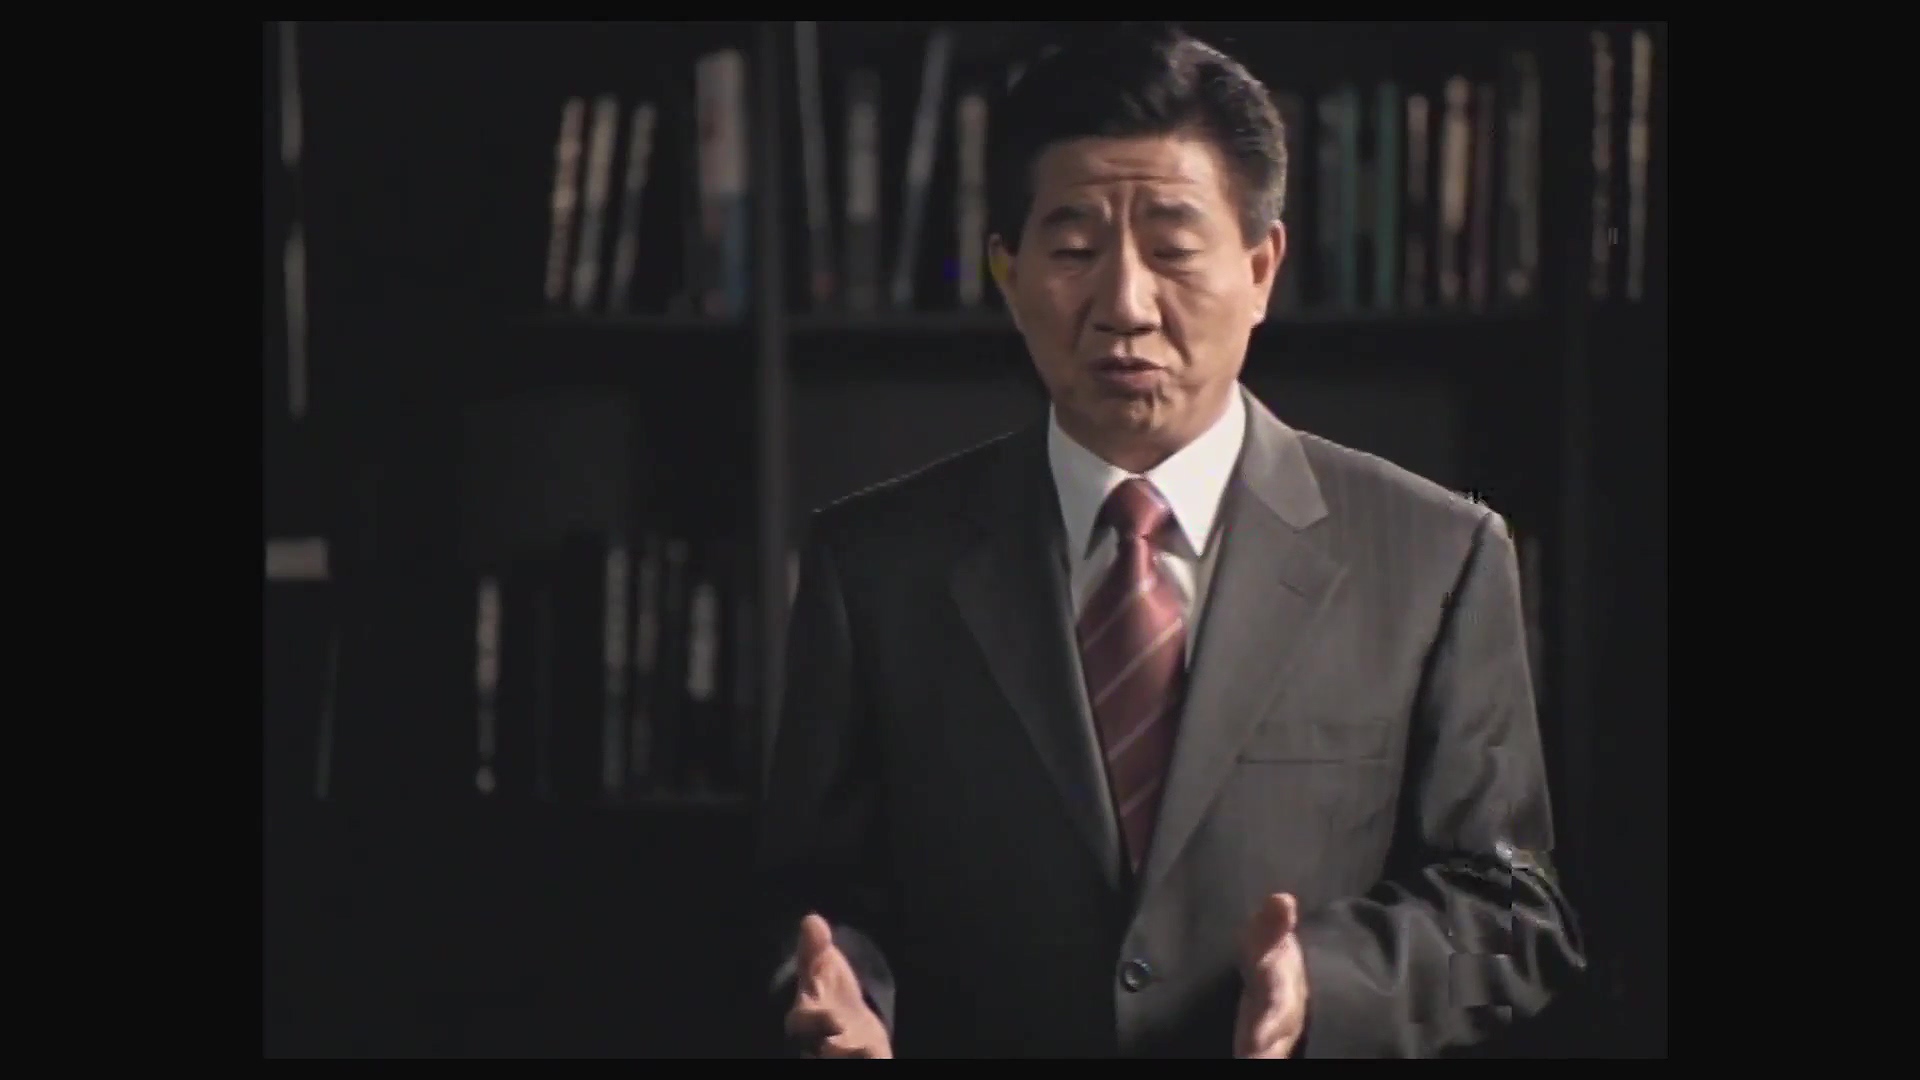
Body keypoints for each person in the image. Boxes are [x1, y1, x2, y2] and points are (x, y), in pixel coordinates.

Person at [754, 24, 1585, 1059]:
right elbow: (814, 897)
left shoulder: (1436, 559)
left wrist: (1321, 982)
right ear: (1008, 273)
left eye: (1175, 251)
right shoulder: (874, 564)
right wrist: (842, 994)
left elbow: (1512, 914)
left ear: (1261, 268)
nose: (1125, 305)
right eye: (1073, 252)